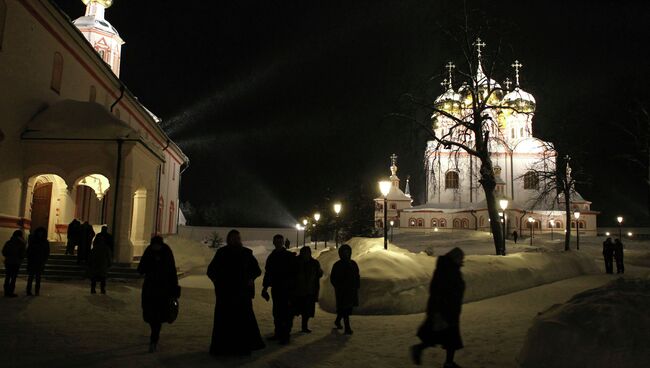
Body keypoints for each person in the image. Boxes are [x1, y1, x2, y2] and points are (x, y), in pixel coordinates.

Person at [207, 229, 265, 356]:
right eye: (233, 238)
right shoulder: (221, 253)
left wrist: (250, 278)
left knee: (242, 323)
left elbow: (256, 270)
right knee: (225, 323)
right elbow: (211, 271)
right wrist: (219, 284)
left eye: (237, 238)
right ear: (229, 239)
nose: (235, 240)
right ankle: (224, 348)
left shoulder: (246, 253)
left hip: (242, 295)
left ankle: (243, 347)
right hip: (226, 296)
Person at [411, 247, 466, 368]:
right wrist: (440, 309)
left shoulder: (450, 268)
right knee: (445, 336)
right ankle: (445, 361)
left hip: (449, 309)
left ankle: (447, 361)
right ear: (454, 257)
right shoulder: (447, 269)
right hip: (444, 309)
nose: (462, 260)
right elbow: (438, 290)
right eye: (460, 258)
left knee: (443, 336)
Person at [137, 236, 180, 353]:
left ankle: (154, 338)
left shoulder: (166, 252)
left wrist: (174, 289)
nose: (156, 247)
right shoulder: (149, 251)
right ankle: (154, 334)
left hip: (163, 290)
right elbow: (141, 268)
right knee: (151, 315)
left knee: (158, 316)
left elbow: (172, 271)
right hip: (150, 289)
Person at [262, 234, 297, 344]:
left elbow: (294, 273)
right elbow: (268, 273)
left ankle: (285, 334)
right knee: (277, 311)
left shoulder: (289, 256)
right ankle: (278, 332)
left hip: (287, 289)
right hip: (277, 288)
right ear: (274, 242)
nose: (278, 243)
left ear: (283, 243)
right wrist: (265, 288)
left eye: (280, 242)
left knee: (286, 312)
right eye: (276, 242)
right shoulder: (272, 257)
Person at [330, 243, 360, 335]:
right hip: (342, 290)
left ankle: (337, 321)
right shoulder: (337, 265)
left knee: (346, 308)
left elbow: (357, 275)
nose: (346, 254)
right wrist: (338, 286)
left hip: (351, 290)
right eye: (344, 252)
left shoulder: (353, 263)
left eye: (347, 252)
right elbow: (333, 278)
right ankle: (347, 327)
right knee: (345, 308)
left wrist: (357, 285)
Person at [294, 246, 323, 333]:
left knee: (306, 311)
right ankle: (287, 328)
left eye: (308, 253)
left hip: (310, 290)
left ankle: (304, 326)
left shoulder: (314, 263)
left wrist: (319, 272)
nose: (306, 255)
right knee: (295, 309)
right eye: (304, 253)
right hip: (298, 290)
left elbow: (319, 274)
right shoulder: (296, 262)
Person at [88, 226, 113, 294]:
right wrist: (109, 263)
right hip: (103, 264)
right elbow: (109, 255)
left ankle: (93, 289)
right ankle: (102, 289)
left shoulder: (95, 248)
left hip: (96, 264)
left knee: (94, 278)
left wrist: (90, 264)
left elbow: (91, 256)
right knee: (102, 278)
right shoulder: (106, 247)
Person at [26, 227, 50, 296]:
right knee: (31, 277)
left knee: (38, 278)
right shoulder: (33, 241)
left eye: (41, 233)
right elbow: (29, 251)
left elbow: (47, 252)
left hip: (40, 262)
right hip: (33, 261)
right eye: (39, 232)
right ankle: (28, 290)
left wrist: (44, 260)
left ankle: (37, 291)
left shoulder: (45, 242)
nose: (40, 234)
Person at [3, 230, 26, 297]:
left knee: (7, 277)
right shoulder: (21, 243)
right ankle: (10, 292)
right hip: (16, 262)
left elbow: (4, 251)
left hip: (8, 262)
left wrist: (8, 256)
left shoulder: (9, 242)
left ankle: (6, 292)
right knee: (13, 278)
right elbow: (22, 254)